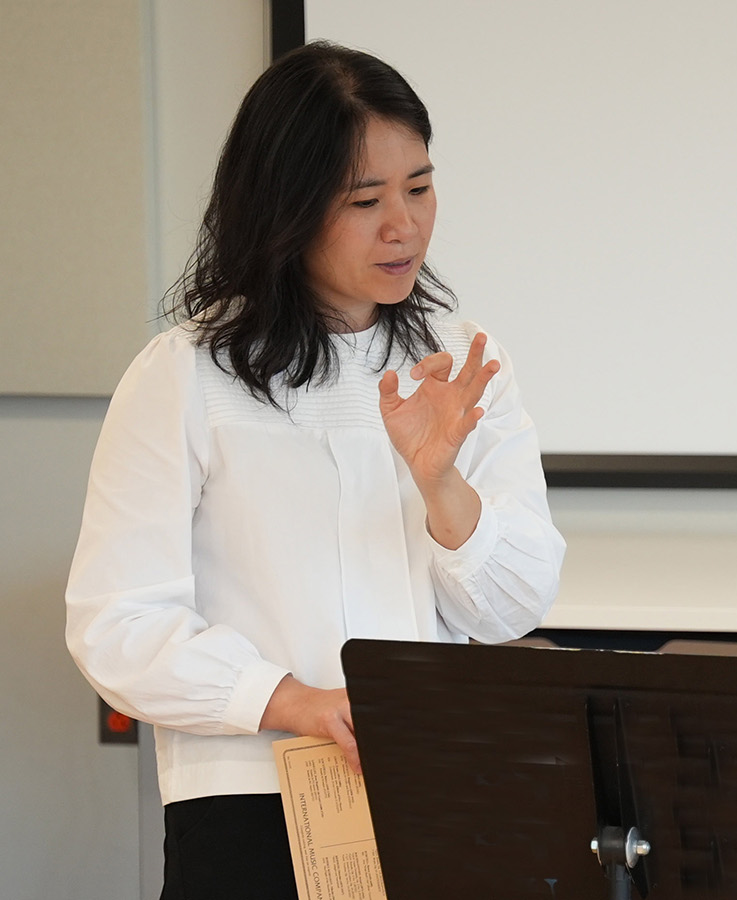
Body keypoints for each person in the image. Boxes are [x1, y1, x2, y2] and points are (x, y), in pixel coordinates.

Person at [64, 42, 566, 899]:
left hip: (433, 789)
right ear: (284, 210)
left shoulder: (463, 362)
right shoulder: (185, 374)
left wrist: (441, 483)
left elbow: (515, 607)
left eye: (420, 186)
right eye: (365, 200)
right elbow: (115, 624)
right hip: (251, 799)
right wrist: (290, 698)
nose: (403, 224)